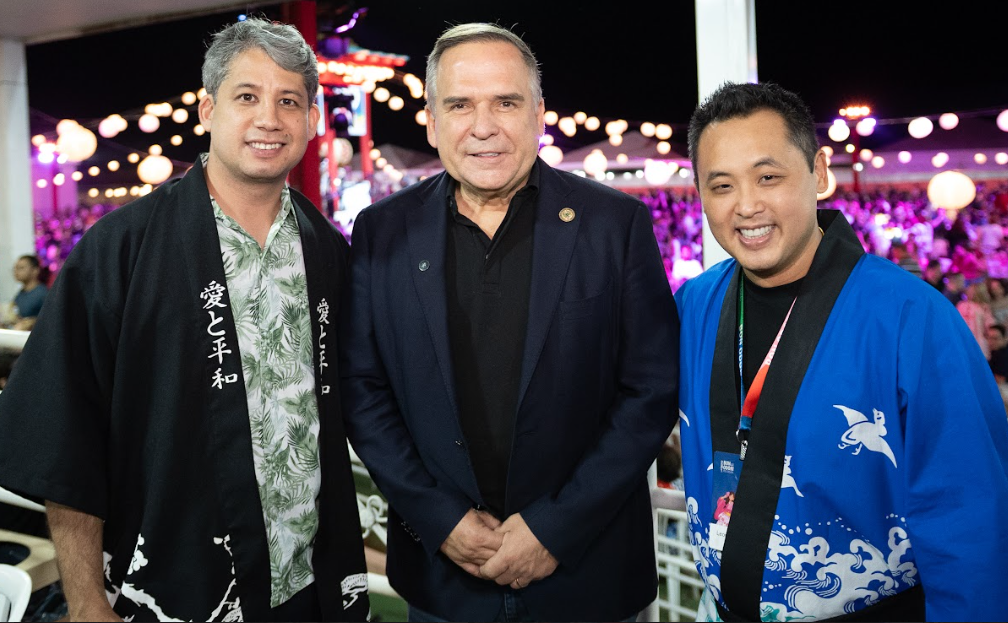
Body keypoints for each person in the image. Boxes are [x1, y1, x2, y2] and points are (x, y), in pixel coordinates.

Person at [0, 17, 369, 622]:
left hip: (308, 583)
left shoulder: (326, 249)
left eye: (289, 102)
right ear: (207, 110)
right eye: (246, 97)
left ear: (310, 120)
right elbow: (65, 433)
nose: (269, 119)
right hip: (176, 589)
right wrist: (87, 601)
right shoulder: (121, 247)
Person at [337, 22, 679, 623]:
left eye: (505, 102)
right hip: (443, 582)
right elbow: (363, 391)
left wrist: (554, 528)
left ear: (539, 114)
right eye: (460, 105)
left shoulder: (614, 225)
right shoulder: (381, 232)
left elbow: (649, 392)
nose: (483, 126)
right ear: (432, 121)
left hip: (588, 578)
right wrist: (440, 519)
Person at [677, 81, 1008, 622]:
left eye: (768, 177)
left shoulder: (911, 317)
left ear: (819, 171)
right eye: (721, 185)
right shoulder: (694, 304)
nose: (747, 205)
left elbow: (970, 517)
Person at [6, 254, 48, 331]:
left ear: (35, 270)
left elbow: (50, 317)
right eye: (15, 268)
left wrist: (32, 322)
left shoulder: (43, 293)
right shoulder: (20, 293)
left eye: (21, 268)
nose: (16, 271)